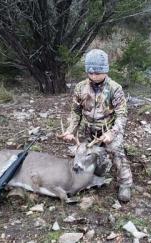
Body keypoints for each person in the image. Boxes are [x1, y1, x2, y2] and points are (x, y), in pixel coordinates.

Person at [60, 49, 133, 202]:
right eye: (90, 72)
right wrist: (70, 130)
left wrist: (112, 133)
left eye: (98, 73)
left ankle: (125, 184)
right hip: (89, 131)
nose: (94, 76)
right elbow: (76, 112)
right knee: (84, 153)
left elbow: (122, 115)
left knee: (115, 151)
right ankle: (95, 173)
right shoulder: (80, 87)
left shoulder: (115, 88)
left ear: (105, 70)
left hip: (109, 130)